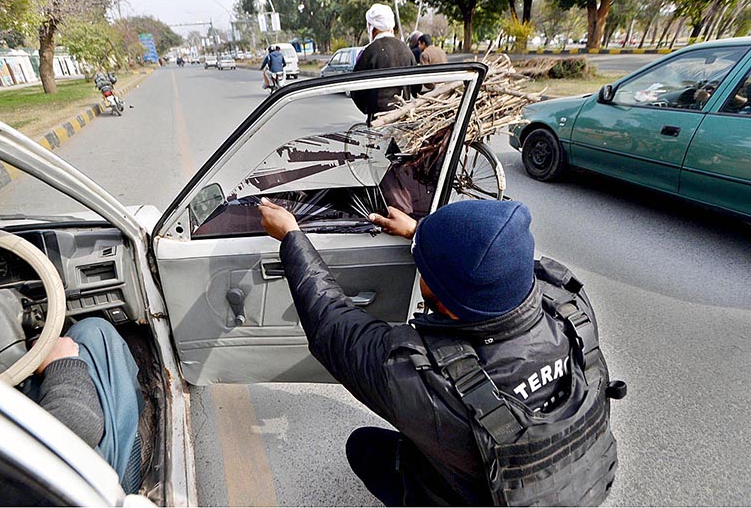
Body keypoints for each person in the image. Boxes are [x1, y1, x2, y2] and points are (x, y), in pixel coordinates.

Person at [257, 198, 620, 506]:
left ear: (443, 300)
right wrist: (423, 236)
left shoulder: (428, 380)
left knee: (364, 448)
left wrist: (291, 236)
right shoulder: (569, 304)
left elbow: (331, 326)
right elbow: (494, 264)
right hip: (580, 483)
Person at [22, 318, 145, 494]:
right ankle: (132, 436)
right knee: (94, 333)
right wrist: (62, 365)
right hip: (86, 486)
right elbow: (77, 427)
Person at [351, 4, 416, 121]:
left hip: (378, 120)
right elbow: (416, 87)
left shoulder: (368, 52)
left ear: (371, 28)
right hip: (403, 119)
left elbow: (356, 92)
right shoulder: (406, 50)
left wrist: (369, 109)